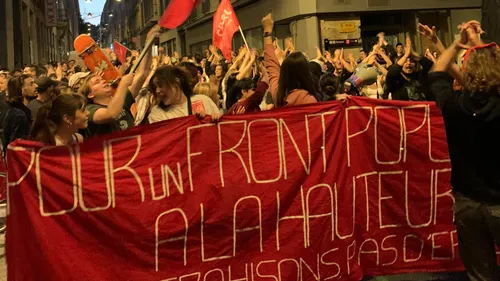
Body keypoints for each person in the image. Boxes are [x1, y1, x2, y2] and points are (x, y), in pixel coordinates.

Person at [428, 21, 500, 281]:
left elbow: (437, 72)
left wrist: (456, 44)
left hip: (467, 206)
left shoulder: (455, 107)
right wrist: (477, 43)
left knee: (481, 275)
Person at [79, 25, 161, 137]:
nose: (104, 81)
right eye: (97, 82)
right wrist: (123, 84)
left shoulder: (122, 98)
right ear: (90, 94)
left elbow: (143, 73)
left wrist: (148, 42)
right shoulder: (90, 110)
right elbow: (111, 114)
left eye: (102, 79)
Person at [262, 13, 317, 107]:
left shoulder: (278, 96)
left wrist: (267, 32)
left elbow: (272, 67)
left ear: (284, 73)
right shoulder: (309, 100)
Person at [148, 66, 220, 123]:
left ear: (176, 82)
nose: (157, 91)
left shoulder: (203, 101)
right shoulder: (157, 113)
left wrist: (213, 120)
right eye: (155, 88)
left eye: (160, 85)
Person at [384, 36, 433, 101]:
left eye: (412, 61)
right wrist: (405, 56)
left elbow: (430, 66)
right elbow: (391, 73)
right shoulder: (396, 79)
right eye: (405, 61)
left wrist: (413, 53)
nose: (408, 63)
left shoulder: (419, 76)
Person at [3, 75, 34, 153]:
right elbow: (15, 147)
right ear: (21, 90)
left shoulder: (21, 111)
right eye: (31, 84)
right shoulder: (18, 114)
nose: (36, 86)